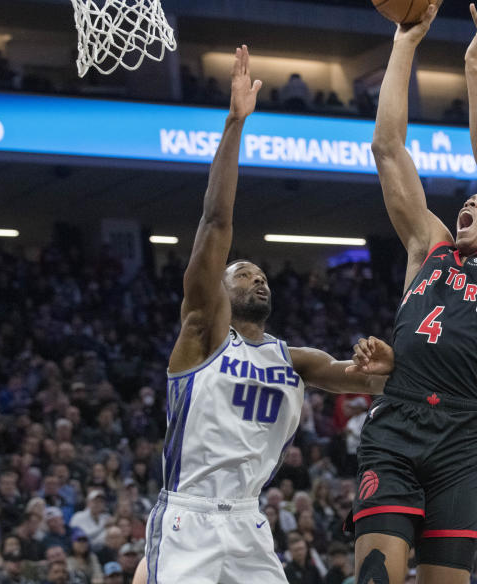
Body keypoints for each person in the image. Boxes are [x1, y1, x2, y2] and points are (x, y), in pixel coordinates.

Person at [132, 47, 395, 584]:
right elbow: (215, 220)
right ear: (219, 290)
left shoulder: (295, 359)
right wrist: (235, 124)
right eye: (242, 272)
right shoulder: (203, 335)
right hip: (189, 516)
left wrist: (382, 361)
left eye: (261, 273)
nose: (257, 277)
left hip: (251, 522)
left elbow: (377, 381)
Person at [351, 0, 477, 584]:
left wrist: (475, 69)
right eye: (468, 200)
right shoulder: (428, 248)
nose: (471, 201)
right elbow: (388, 149)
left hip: (465, 438)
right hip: (396, 422)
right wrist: (404, 43)